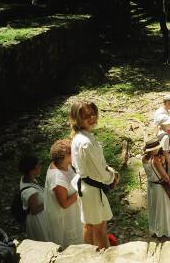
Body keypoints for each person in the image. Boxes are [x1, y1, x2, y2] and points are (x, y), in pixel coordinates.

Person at [70, 101, 120, 249]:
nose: (91, 117)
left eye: (93, 113)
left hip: (87, 187)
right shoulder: (85, 142)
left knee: (90, 224)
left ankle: (89, 254)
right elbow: (98, 172)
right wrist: (113, 176)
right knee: (99, 227)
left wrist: (107, 171)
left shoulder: (81, 137)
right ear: (77, 118)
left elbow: (95, 165)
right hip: (91, 189)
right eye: (86, 115)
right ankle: (104, 256)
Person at [44, 139, 83, 247]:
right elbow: (64, 203)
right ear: (65, 156)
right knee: (70, 245)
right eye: (72, 153)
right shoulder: (58, 179)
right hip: (65, 220)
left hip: (73, 213)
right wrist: (81, 191)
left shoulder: (64, 164)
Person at [142, 138, 170, 238]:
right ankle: (167, 230)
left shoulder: (144, 158)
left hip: (151, 185)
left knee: (154, 208)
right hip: (160, 187)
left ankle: (156, 229)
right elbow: (165, 176)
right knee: (165, 208)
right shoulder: (155, 160)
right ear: (153, 150)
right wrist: (163, 165)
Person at [19, 155, 50, 242]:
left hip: (41, 217)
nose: (40, 167)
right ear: (32, 170)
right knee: (44, 241)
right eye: (38, 165)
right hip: (38, 220)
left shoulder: (28, 179)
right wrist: (49, 201)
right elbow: (34, 210)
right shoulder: (30, 191)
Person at [156, 114, 170, 180]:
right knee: (169, 179)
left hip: (167, 160)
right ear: (164, 124)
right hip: (169, 161)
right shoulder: (166, 137)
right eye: (168, 123)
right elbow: (165, 153)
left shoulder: (159, 132)